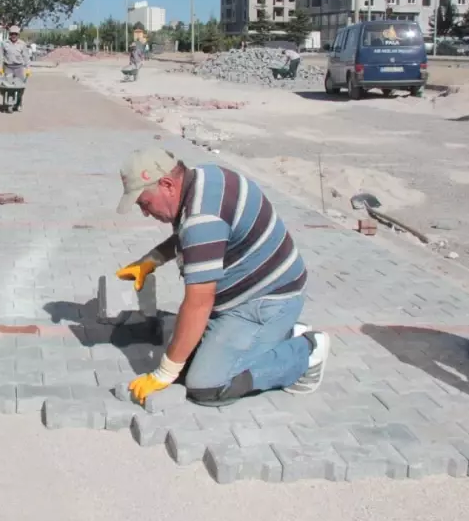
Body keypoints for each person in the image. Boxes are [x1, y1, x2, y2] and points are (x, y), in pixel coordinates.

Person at [114, 147, 330, 406]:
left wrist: (163, 373)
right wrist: (152, 259)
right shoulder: (203, 178)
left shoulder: (202, 219)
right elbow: (196, 236)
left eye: (145, 203)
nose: (145, 212)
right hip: (247, 294)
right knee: (183, 359)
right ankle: (278, 334)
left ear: (167, 184)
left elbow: (199, 302)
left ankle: (306, 350)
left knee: (205, 386)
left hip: (267, 302)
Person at [0, 25, 31, 112]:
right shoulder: (5, 43)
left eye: (15, 34)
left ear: (18, 35)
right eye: (12, 34)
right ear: (9, 34)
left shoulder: (22, 44)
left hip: (19, 68)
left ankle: (18, 103)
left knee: (19, 87)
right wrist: (0, 68)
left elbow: (26, 57)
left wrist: (28, 68)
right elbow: (1, 56)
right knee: (7, 86)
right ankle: (6, 103)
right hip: (8, 67)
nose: (14, 36)